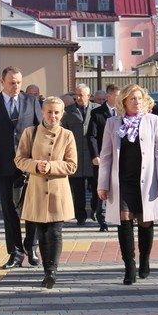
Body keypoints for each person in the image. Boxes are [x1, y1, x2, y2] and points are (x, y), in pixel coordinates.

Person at [97, 83, 158, 285]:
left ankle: (144, 260)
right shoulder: (113, 123)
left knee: (145, 221)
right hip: (122, 181)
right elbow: (106, 155)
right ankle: (129, 266)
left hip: (146, 181)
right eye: (132, 99)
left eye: (140, 98)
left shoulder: (152, 121)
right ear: (124, 102)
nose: (137, 102)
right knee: (125, 219)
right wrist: (102, 184)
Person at [0, 66, 43, 268]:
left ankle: (31, 247)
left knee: (31, 208)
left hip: (30, 165)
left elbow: (42, 133)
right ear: (2, 82)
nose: (16, 86)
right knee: (10, 210)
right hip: (4, 165)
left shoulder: (31, 101)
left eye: (18, 82)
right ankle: (15, 253)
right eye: (12, 83)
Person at [15, 97, 78, 288]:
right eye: (49, 112)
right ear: (42, 112)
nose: (53, 116)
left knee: (55, 232)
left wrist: (51, 166)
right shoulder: (30, 132)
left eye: (57, 112)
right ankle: (46, 269)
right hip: (37, 189)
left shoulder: (67, 135)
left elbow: (72, 165)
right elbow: (19, 159)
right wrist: (36, 165)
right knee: (41, 232)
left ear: (62, 114)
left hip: (58, 191)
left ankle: (53, 270)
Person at [61, 84, 99, 225]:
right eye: (76, 95)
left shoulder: (96, 110)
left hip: (93, 155)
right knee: (77, 190)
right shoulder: (67, 111)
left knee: (96, 186)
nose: (77, 97)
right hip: (75, 155)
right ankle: (80, 215)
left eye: (81, 95)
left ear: (88, 96)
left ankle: (95, 210)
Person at [87, 84, 120, 232]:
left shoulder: (123, 112)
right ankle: (103, 220)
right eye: (118, 95)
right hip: (103, 156)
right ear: (109, 95)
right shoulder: (97, 113)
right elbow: (91, 136)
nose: (120, 99)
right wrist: (95, 155)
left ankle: (121, 216)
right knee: (102, 187)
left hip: (120, 157)